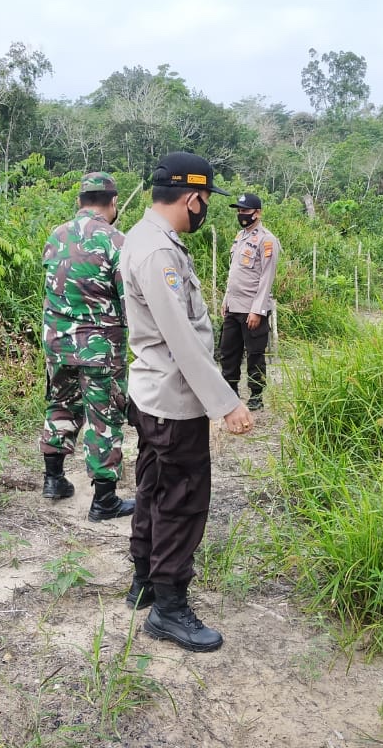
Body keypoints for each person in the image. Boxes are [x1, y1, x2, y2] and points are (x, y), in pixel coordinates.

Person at [120, 151, 254, 653]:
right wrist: (226, 402)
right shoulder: (158, 251)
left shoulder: (146, 238)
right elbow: (183, 338)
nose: (204, 213)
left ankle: (144, 582)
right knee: (181, 500)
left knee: (154, 489)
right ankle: (168, 609)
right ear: (194, 198)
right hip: (174, 401)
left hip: (154, 394)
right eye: (205, 204)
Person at [39, 172, 136, 522]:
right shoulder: (116, 240)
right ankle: (105, 500)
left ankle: (54, 479)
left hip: (56, 343)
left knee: (61, 403)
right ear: (112, 203)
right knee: (104, 416)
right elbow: (129, 300)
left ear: (80, 201)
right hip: (99, 347)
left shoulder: (56, 235)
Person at [219, 192, 280, 411]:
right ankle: (230, 391)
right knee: (228, 352)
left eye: (245, 211)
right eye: (239, 211)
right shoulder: (240, 237)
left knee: (254, 354)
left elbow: (267, 277)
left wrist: (257, 310)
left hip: (252, 308)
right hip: (233, 307)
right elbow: (233, 273)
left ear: (258, 213)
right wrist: (226, 299)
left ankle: (256, 395)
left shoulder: (267, 240)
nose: (241, 214)